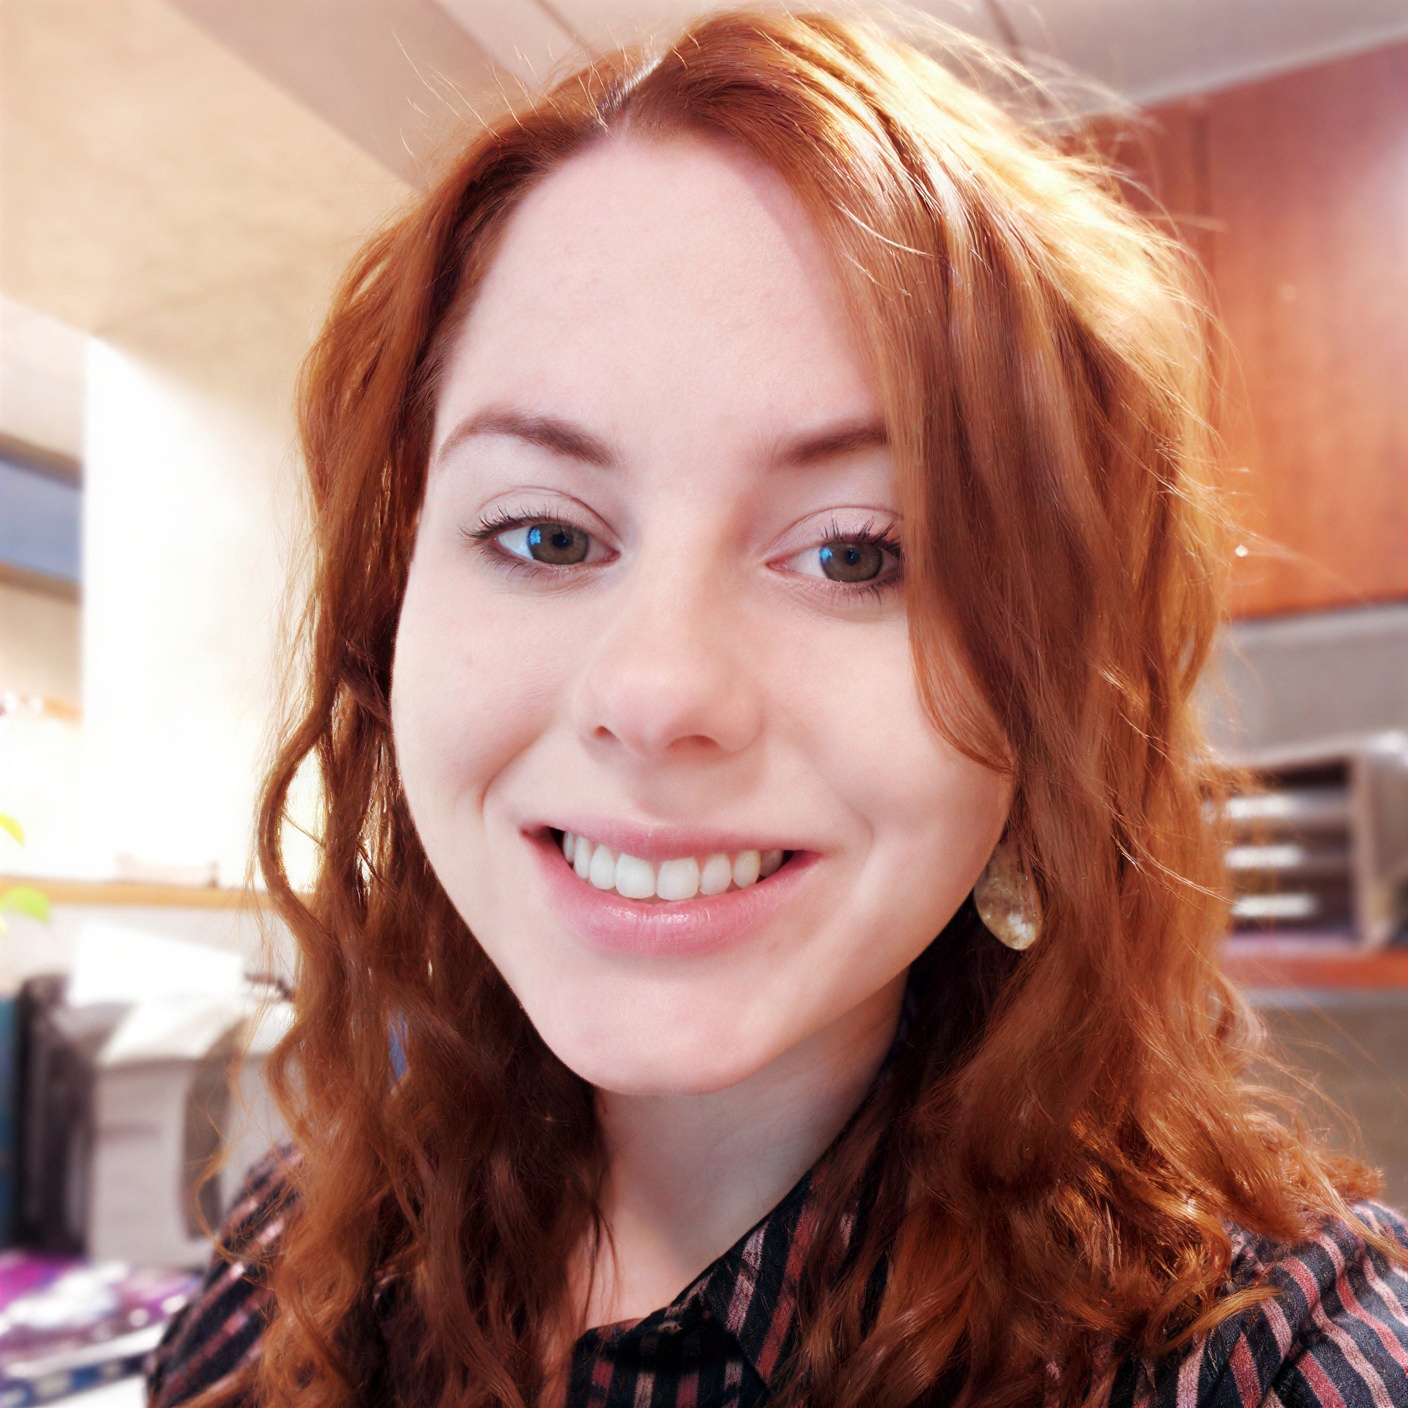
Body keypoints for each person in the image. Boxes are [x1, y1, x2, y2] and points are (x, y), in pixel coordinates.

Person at [147, 8, 1408, 1407]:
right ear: (391, 618)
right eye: (546, 536)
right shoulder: (284, 1264)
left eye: (858, 552)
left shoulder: (1264, 1355)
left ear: (1047, 682)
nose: (658, 692)